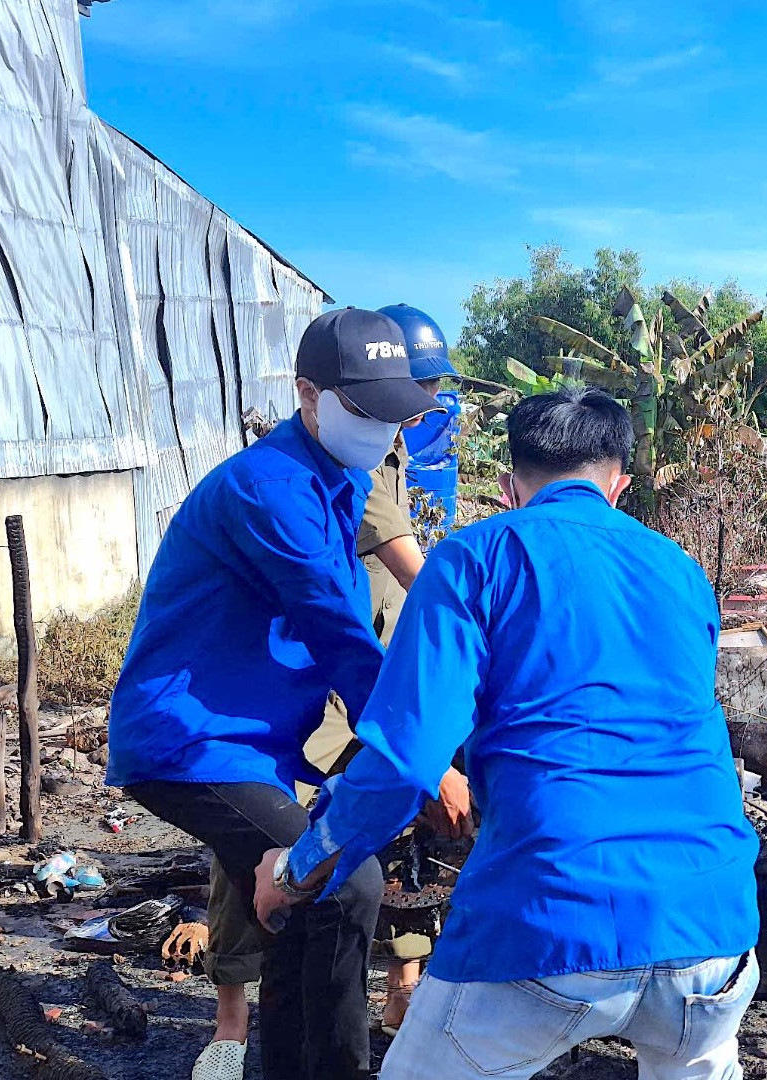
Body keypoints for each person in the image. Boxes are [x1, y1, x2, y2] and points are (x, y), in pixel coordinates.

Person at [252, 385, 761, 1080]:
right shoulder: (682, 572)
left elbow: (404, 763)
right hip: (714, 931)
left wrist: (298, 867)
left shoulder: (475, 559)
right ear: (621, 485)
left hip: (552, 917)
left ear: (508, 485)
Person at [106, 307, 459, 1080]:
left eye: (393, 413)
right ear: (308, 393)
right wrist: (430, 761)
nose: (381, 430)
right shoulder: (272, 489)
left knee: (304, 902)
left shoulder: (334, 477)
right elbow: (342, 640)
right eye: (363, 410)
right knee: (341, 876)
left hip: (255, 742)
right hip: (190, 740)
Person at [192, 395, 446, 1079]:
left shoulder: (400, 459)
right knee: (267, 845)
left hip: (382, 678)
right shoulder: (337, 467)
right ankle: (231, 1022)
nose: (418, 415)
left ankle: (397, 986)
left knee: (393, 845)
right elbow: (414, 575)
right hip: (334, 698)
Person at [379, 303, 461, 539]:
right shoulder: (361, 456)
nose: (426, 397)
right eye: (415, 382)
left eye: (434, 381)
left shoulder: (397, 440)